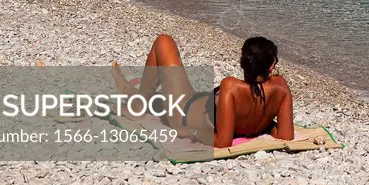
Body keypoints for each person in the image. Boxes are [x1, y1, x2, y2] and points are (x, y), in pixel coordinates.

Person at [111, 34, 294, 149]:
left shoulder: (231, 86)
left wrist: (189, 131)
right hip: (194, 103)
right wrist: (264, 126)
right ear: (271, 66)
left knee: (163, 41)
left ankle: (138, 103)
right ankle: (131, 92)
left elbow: (223, 142)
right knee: (162, 93)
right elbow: (285, 135)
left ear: (244, 62)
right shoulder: (281, 88)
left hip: (183, 111)